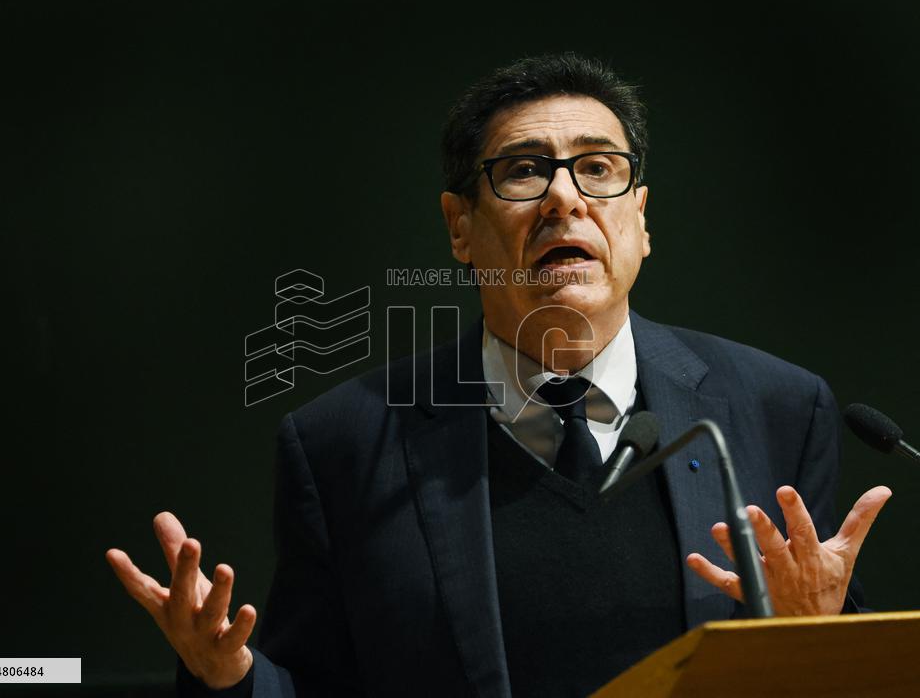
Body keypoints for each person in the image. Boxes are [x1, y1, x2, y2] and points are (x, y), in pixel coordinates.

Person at [106, 53, 892, 697]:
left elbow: (829, 668)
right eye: (523, 172)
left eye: (598, 168)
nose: (564, 197)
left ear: (641, 219)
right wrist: (228, 676)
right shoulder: (345, 442)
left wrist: (818, 635)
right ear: (460, 227)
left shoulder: (775, 407)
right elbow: (310, 684)